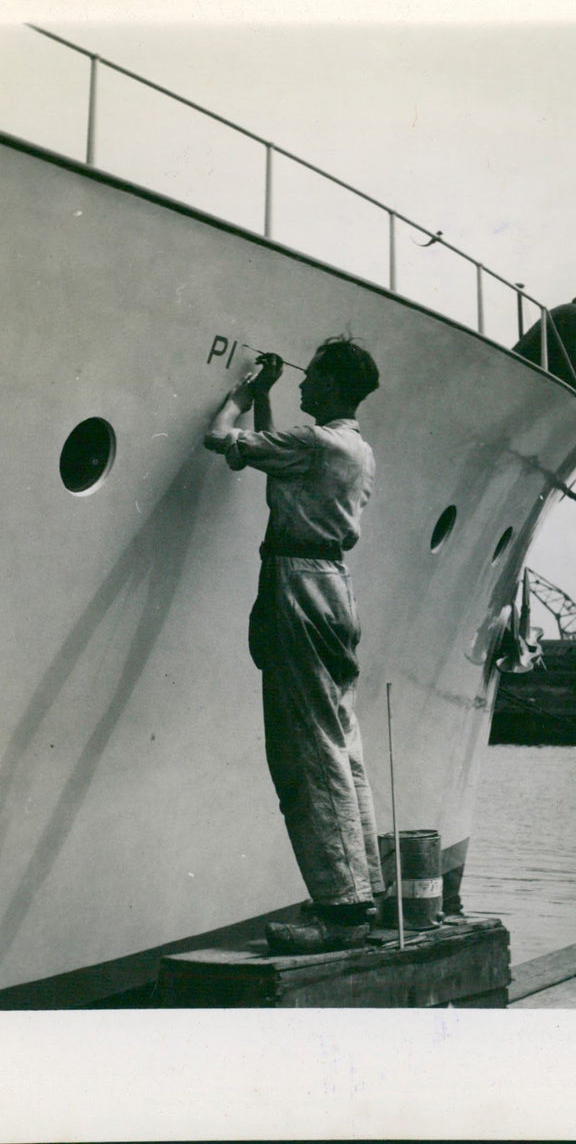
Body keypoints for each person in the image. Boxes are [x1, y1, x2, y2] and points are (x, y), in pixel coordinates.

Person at [203, 335, 385, 954]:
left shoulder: (315, 443)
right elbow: (275, 456)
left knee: (305, 747)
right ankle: (362, 893)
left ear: (333, 385)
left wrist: (243, 394)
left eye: (312, 379)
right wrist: (269, 403)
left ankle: (339, 912)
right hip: (334, 586)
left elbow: (220, 442)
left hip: (297, 583)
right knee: (339, 740)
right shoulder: (354, 449)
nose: (303, 386)